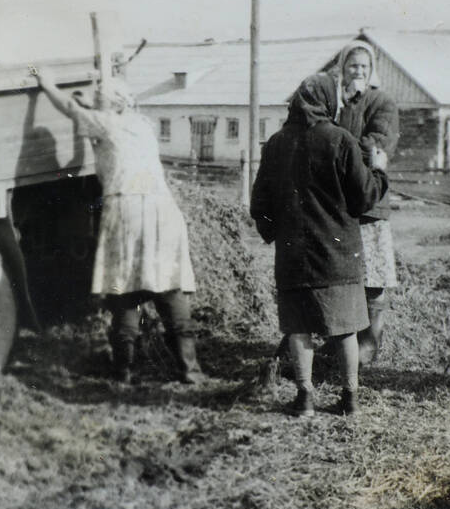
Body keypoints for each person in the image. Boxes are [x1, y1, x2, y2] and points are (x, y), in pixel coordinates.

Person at [30, 66, 207, 385]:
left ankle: (124, 369)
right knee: (168, 285)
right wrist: (92, 102)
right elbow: (99, 114)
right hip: (162, 207)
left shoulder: (103, 123)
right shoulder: (141, 124)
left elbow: (71, 109)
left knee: (124, 287)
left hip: (127, 208)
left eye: (101, 101)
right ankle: (190, 369)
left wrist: (47, 84)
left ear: (111, 105)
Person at [251, 72, 389, 417]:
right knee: (344, 330)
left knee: (300, 329)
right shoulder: (341, 141)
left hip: (293, 256)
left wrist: (276, 234)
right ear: (328, 102)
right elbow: (364, 198)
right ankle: (350, 399)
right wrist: (380, 172)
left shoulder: (276, 143)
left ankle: (305, 398)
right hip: (338, 256)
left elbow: (259, 205)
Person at [331, 41, 400, 366]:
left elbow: (376, 144)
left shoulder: (381, 101)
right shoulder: (334, 103)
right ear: (342, 69)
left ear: (371, 71)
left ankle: (369, 345)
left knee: (373, 277)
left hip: (369, 202)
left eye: (363, 67)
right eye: (351, 66)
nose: (357, 72)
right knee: (343, 276)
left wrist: (335, 149)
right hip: (337, 204)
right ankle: (340, 344)